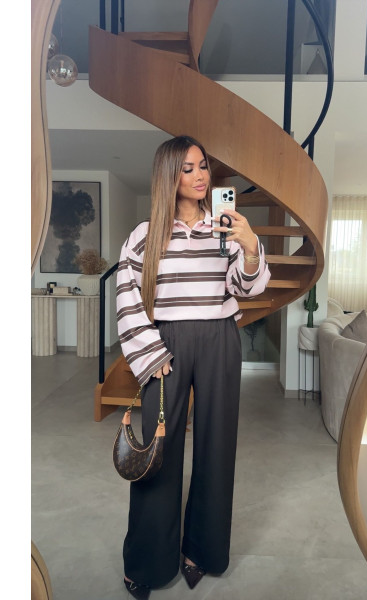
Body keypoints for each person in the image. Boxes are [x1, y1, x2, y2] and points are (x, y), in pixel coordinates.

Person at [116, 135, 271, 599]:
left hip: (219, 338)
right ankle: (148, 561)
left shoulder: (223, 228)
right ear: (169, 175)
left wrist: (250, 246)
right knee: (158, 451)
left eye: (203, 166)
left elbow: (246, 288)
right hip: (166, 343)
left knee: (217, 446)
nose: (200, 175)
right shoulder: (145, 234)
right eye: (188, 168)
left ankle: (202, 551)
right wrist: (150, 353)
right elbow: (127, 296)